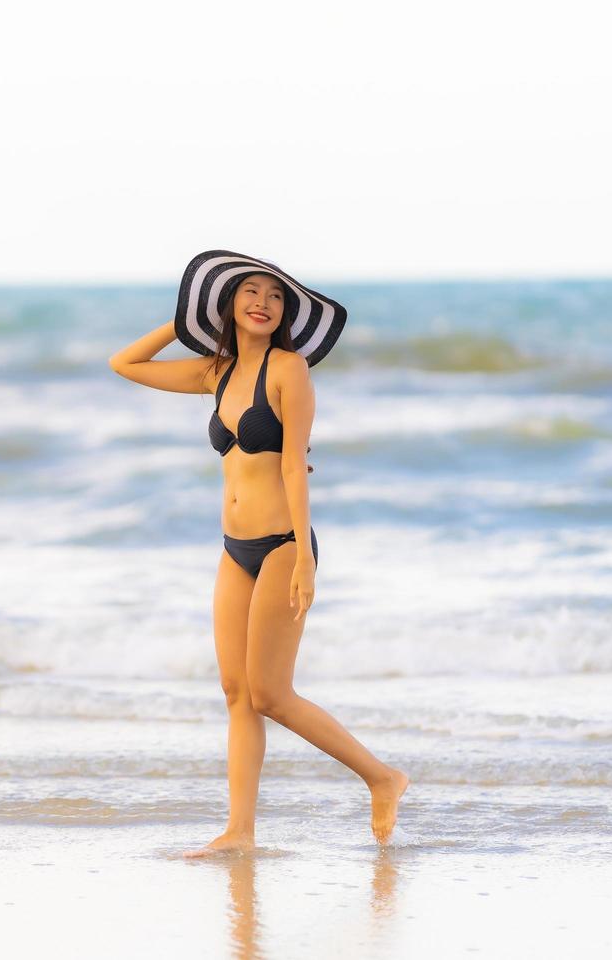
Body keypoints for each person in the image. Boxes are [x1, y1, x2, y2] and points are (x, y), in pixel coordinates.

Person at [109, 250, 410, 854]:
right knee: (235, 691)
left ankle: (382, 777)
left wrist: (302, 556)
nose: (263, 304)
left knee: (271, 693)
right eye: (249, 292)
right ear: (227, 304)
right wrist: (186, 318)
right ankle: (239, 832)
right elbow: (125, 363)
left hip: (281, 545)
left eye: (275, 297)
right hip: (233, 547)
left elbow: (295, 466)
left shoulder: (289, 369)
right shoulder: (212, 372)